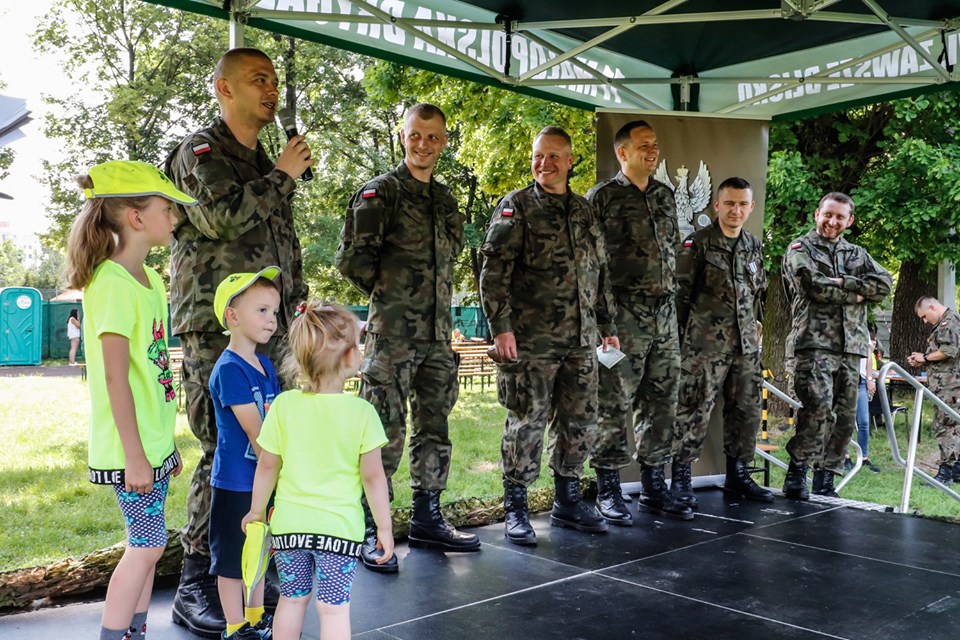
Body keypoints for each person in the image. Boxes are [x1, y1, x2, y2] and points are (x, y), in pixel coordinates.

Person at [164, 47, 312, 635]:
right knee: (223, 450)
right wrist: (283, 175)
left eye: (274, 79)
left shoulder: (266, 163)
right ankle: (196, 579)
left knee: (268, 450)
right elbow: (223, 219)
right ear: (225, 89)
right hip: (214, 328)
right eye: (258, 79)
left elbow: (281, 246)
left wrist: (296, 305)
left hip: (272, 329)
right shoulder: (200, 151)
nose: (270, 88)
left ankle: (250, 571)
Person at [336, 103, 478, 572]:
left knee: (435, 429)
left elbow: (450, 258)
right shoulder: (382, 192)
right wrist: (395, 297)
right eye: (416, 135)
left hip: (438, 337)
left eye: (433, 137)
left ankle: (426, 517)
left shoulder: (445, 200)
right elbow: (354, 262)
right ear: (403, 136)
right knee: (383, 433)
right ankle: (365, 527)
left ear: (443, 141)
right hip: (393, 335)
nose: (424, 145)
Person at [65, 160, 196, 640]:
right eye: (167, 209)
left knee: (151, 547)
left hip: (151, 445)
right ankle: (114, 634)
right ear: (137, 218)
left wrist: (165, 447)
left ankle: (134, 631)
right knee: (145, 548)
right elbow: (116, 380)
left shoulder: (151, 280)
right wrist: (138, 456)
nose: (175, 217)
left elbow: (152, 368)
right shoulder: (112, 284)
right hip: (129, 450)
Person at [479, 126, 619, 546]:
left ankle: (567, 500)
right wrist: (500, 328)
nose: (545, 164)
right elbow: (493, 273)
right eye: (539, 156)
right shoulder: (515, 207)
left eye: (554, 156)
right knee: (527, 421)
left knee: (580, 421)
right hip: (530, 340)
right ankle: (516, 508)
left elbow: (599, 274)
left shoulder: (584, 210)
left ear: (570, 161)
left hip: (581, 339)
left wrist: (607, 328)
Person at [241, 302, 392, 640]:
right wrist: (384, 526)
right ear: (351, 356)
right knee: (334, 609)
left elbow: (267, 464)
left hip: (289, 528)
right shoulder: (362, 413)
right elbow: (373, 477)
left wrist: (255, 511)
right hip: (339, 531)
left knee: (291, 601)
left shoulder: (283, 406)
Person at [584, 120, 691, 522]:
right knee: (612, 401)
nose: (653, 150)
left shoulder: (665, 195)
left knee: (662, 400)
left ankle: (653, 485)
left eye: (655, 144)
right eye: (644, 145)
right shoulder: (602, 197)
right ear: (622, 152)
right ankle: (607, 488)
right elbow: (591, 265)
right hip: (620, 318)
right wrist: (602, 321)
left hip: (664, 317)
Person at [781, 192, 892, 499]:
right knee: (818, 410)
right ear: (817, 213)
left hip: (852, 348)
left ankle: (826, 479)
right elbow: (812, 285)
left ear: (850, 221)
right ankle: (797, 473)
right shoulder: (799, 248)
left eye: (840, 216)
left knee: (845, 417)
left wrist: (843, 283)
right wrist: (858, 292)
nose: (832, 221)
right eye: (828, 214)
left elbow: (884, 284)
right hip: (814, 345)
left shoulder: (858, 253)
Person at [673, 177, 773, 505]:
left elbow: (758, 294)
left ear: (751, 207)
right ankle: (681, 479)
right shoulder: (697, 243)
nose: (736, 210)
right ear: (716, 205)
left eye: (743, 204)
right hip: (704, 347)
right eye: (729, 203)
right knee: (693, 410)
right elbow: (680, 297)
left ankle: (738, 476)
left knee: (745, 411)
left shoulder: (754, 245)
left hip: (745, 348)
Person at [208, 268, 285, 639]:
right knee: (231, 561)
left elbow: (280, 420)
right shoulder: (229, 369)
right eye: (262, 311)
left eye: (274, 312)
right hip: (237, 481)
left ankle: (255, 617)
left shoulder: (266, 365)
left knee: (258, 551)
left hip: (263, 479)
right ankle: (234, 626)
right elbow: (257, 433)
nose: (272, 320)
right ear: (233, 316)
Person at [908, 296, 960, 484]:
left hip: (950, 386)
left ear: (932, 306)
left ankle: (945, 473)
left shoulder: (949, 321)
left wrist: (925, 357)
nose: (924, 320)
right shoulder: (947, 321)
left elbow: (949, 350)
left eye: (924, 316)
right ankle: (956, 470)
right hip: (946, 385)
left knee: (945, 426)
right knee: (954, 426)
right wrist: (924, 359)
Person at [847, 332, 881, 473]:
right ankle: (845, 457)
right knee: (846, 420)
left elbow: (868, 355)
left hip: (860, 380)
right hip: (846, 377)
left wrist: (869, 379)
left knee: (864, 421)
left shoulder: (863, 328)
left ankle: (864, 457)